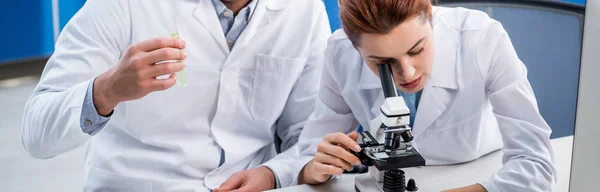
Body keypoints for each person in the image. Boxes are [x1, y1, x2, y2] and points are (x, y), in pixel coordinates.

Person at [229, 0, 556, 191]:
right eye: (383, 63)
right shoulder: (339, 52)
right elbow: (307, 152)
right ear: (355, 48)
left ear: (431, 15)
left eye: (417, 50)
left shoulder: (483, 38)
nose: (408, 74)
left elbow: (536, 164)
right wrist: (315, 166)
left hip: (478, 173)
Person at [20, 0, 330, 191]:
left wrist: (273, 173)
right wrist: (107, 90)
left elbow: (310, 135)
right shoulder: (122, 4)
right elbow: (36, 133)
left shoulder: (304, 10)